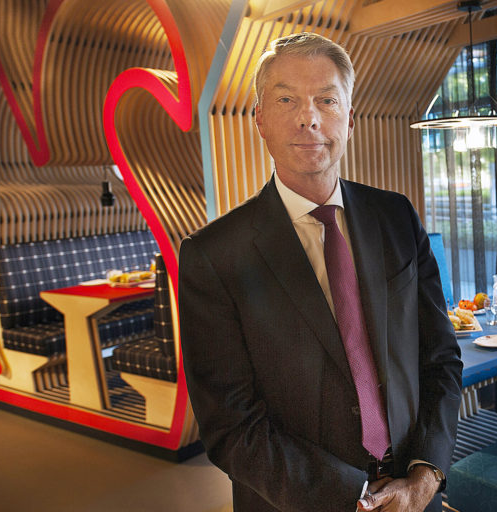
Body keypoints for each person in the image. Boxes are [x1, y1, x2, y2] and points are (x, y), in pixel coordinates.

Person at [178, 32, 462, 512]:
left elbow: (440, 358)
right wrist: (352, 497)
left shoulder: (396, 217)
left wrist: (425, 475)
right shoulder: (213, 255)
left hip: (415, 494)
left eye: (326, 100)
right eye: (286, 99)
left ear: (349, 120)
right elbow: (232, 424)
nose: (308, 117)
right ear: (259, 119)